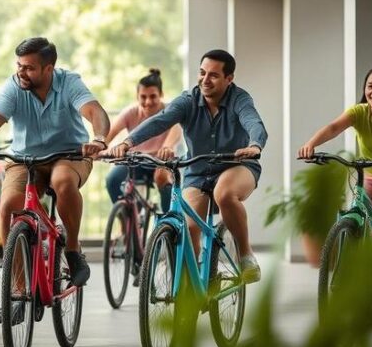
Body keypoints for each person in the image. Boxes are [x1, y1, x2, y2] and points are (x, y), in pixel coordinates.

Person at [0, 37, 110, 323]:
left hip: (69, 155)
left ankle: (72, 249)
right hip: (25, 159)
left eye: (29, 68)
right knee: (8, 205)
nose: (21, 72)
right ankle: (18, 289)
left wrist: (99, 139)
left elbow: (95, 111)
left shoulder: (69, 83)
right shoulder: (14, 86)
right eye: (19, 65)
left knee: (63, 181)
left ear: (49, 69)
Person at [107, 49, 267, 284]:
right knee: (189, 228)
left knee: (224, 194)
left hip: (237, 165)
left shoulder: (239, 99)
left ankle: (245, 255)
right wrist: (128, 142)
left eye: (213, 75)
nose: (205, 79)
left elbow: (253, 122)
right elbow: (159, 121)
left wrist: (254, 145)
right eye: (202, 73)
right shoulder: (188, 100)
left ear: (229, 78)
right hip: (198, 171)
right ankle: (190, 291)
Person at [298, 65, 372, 282]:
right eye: (370, 86)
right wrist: (311, 144)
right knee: (356, 210)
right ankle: (365, 263)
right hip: (370, 176)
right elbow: (333, 128)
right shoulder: (358, 112)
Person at [105, 68, 183, 210]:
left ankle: (168, 221)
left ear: (161, 94)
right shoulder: (130, 112)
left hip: (160, 161)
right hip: (136, 160)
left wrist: (167, 147)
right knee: (112, 180)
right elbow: (109, 134)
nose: (148, 102)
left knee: (163, 178)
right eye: (143, 97)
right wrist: (100, 146)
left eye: (153, 96)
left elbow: (176, 129)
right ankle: (126, 218)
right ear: (137, 97)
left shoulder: (170, 111)